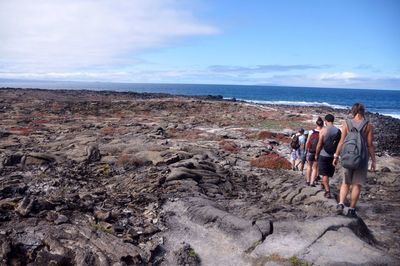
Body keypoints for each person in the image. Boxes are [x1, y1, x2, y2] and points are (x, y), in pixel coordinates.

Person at [333, 103, 376, 218]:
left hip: (347, 157)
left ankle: (341, 204)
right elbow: (370, 145)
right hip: (361, 159)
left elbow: (341, 141)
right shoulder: (368, 126)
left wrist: (336, 156)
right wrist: (373, 161)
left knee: (345, 182)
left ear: (353, 111)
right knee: (356, 185)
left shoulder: (346, 123)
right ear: (363, 111)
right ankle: (351, 209)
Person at [315, 114, 341, 198]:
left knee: (324, 174)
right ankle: (323, 184)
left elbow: (319, 144)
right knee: (328, 173)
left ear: (326, 121)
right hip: (333, 155)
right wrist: (337, 156)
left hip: (324, 154)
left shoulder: (323, 130)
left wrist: (316, 154)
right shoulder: (338, 131)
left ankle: (327, 191)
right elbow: (340, 144)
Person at [305, 117, 324, 186]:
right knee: (315, 167)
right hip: (318, 152)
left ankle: (307, 181)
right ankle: (312, 182)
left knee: (309, 166)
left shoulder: (311, 131)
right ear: (322, 124)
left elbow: (307, 142)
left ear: (316, 124)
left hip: (311, 151)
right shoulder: (323, 132)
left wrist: (306, 150)